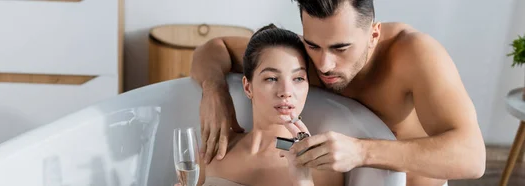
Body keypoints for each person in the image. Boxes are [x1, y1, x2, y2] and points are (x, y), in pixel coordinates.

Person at [189, 0, 486, 185]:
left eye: (340, 48)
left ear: (373, 34)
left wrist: (361, 150)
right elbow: (215, 48)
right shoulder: (305, 58)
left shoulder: (414, 55)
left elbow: (473, 158)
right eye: (313, 45)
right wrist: (215, 94)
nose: (323, 64)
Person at [179, 24, 344, 186]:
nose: (286, 91)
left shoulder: (323, 165)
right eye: (271, 78)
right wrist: (214, 91)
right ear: (247, 87)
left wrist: (303, 180)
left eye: (298, 78)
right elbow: (208, 49)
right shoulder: (214, 149)